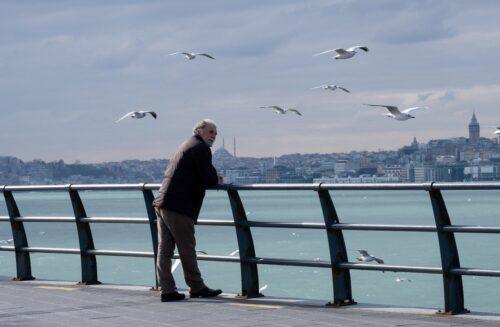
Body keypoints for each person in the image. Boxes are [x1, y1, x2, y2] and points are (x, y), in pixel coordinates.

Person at [153, 119, 223, 302]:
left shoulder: (186, 145)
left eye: (215, 133)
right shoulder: (200, 148)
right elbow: (208, 178)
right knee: (187, 247)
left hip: (163, 202)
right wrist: (218, 178)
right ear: (199, 131)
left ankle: (167, 290)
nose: (214, 136)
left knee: (164, 249)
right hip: (179, 206)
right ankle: (196, 286)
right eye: (211, 132)